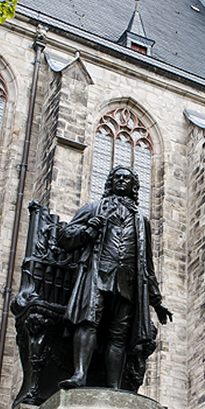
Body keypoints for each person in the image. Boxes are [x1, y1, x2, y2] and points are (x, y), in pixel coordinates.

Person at [58, 165, 172, 391]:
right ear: (110, 182)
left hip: (127, 283)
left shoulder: (142, 220)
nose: (121, 180)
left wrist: (156, 302)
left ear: (133, 186)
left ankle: (114, 386)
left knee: (118, 335)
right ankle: (79, 374)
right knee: (88, 320)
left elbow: (147, 265)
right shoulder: (93, 208)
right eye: (117, 177)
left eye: (126, 178)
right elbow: (64, 236)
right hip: (97, 275)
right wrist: (86, 231)